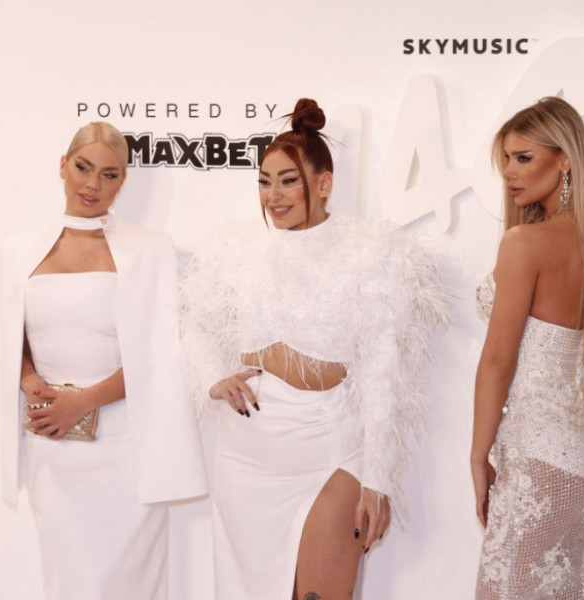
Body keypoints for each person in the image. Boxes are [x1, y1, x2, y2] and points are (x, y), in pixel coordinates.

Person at [181, 98, 447, 599]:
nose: (273, 195)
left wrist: (377, 479)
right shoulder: (233, 253)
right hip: (247, 456)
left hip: (329, 449)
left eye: (288, 180)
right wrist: (213, 375)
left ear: (324, 183)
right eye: (264, 181)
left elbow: (382, 372)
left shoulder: (372, 255)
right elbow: (192, 322)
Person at [0, 122, 207, 600]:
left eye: (109, 174)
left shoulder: (150, 249)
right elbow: (12, 339)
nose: (93, 184)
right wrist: (31, 382)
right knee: (69, 582)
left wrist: (83, 402)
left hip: (127, 447)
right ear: (63, 166)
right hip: (54, 447)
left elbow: (159, 354)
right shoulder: (19, 251)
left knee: (128, 585)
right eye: (83, 167)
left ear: (123, 181)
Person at [471, 97, 584, 599]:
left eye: (524, 157)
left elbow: (498, 362)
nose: (509, 172)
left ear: (565, 160)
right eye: (506, 158)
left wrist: (478, 456)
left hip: (541, 461)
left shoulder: (524, 242)